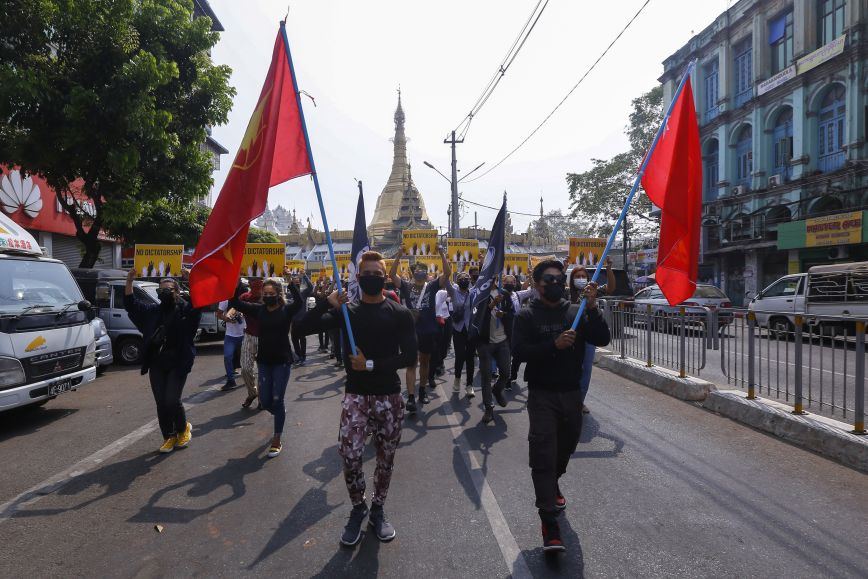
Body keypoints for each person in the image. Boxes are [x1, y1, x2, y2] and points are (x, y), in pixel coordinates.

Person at [297, 251, 417, 546]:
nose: (372, 277)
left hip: (388, 395)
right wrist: (326, 303)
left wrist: (372, 364)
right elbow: (299, 329)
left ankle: (377, 508)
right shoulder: (347, 313)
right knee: (350, 456)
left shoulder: (399, 313)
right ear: (358, 277)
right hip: (356, 397)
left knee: (385, 459)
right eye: (367, 273)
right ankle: (358, 506)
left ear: (385, 276)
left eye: (378, 273)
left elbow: (410, 356)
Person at [513, 259, 610, 552]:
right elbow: (519, 351)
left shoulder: (576, 312)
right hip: (542, 395)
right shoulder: (527, 316)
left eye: (559, 279)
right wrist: (552, 346)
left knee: (564, 450)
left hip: (571, 396)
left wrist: (592, 309)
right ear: (537, 284)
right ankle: (549, 523)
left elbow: (603, 338)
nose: (555, 284)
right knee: (543, 453)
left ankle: (553, 482)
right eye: (549, 280)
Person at [124, 269, 201, 453]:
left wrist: (191, 280)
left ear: (177, 291)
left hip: (178, 362)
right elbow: (131, 305)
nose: (164, 293)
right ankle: (169, 436)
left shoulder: (185, 310)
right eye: (161, 291)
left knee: (172, 400)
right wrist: (129, 281)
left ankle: (183, 429)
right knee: (161, 403)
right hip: (157, 362)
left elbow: (198, 305)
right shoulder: (153, 311)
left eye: (168, 289)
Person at [230, 278, 303, 458]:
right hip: (264, 361)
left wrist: (292, 283)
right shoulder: (259, 310)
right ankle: (279, 412)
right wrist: (235, 283)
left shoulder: (286, 310)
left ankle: (277, 438)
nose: (268, 296)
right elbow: (236, 303)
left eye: (272, 294)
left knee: (277, 400)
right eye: (266, 294)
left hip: (282, 361)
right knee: (265, 400)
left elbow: (300, 302)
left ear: (278, 294)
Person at [389, 246, 450, 413]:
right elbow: (392, 275)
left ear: (426, 272)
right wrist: (399, 255)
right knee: (411, 364)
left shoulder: (431, 286)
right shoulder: (406, 286)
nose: (420, 273)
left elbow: (447, 273)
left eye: (423, 270)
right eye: (417, 270)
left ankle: (422, 390)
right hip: (410, 331)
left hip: (428, 330)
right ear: (412, 272)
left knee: (424, 362)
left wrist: (442, 254)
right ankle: (410, 397)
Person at [569, 257, 615, 414]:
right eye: (577, 276)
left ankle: (579, 401)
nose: (581, 279)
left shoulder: (591, 292)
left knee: (586, 369)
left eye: (583, 277)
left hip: (588, 337)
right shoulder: (567, 293)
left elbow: (610, 288)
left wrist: (608, 269)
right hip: (571, 337)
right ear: (572, 279)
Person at [471, 281, 515, 423]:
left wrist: (505, 314)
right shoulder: (478, 295)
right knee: (486, 377)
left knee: (506, 373)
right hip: (485, 343)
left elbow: (512, 314)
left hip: (502, 341)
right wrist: (491, 305)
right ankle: (489, 408)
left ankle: (497, 390)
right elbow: (476, 319)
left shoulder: (505, 294)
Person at [449, 272, 476, 398]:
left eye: (467, 278)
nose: (464, 280)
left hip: (470, 329)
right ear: (457, 281)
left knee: (470, 358)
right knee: (460, 356)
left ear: (470, 281)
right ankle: (457, 379)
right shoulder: (454, 292)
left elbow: (484, 280)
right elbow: (445, 276)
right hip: (458, 329)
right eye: (461, 279)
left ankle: (469, 385)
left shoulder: (473, 293)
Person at [239, 278, 262, 409]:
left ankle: (263, 398)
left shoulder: (268, 297)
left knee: (264, 371)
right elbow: (235, 306)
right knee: (245, 368)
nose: (256, 286)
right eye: (254, 282)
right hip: (249, 336)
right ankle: (253, 393)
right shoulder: (245, 297)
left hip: (266, 338)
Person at [217, 300, 246, 391]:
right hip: (230, 335)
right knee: (227, 357)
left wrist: (243, 314)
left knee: (247, 357)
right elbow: (218, 314)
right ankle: (231, 381)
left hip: (245, 333)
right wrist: (228, 319)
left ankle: (250, 377)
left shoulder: (244, 297)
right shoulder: (225, 300)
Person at [290, 274, 313, 367]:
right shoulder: (289, 294)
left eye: (298, 282)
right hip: (293, 321)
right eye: (295, 282)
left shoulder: (303, 293)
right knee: (294, 339)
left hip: (302, 320)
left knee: (302, 339)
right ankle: (298, 357)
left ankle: (303, 357)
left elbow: (311, 287)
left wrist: (304, 276)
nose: (296, 284)